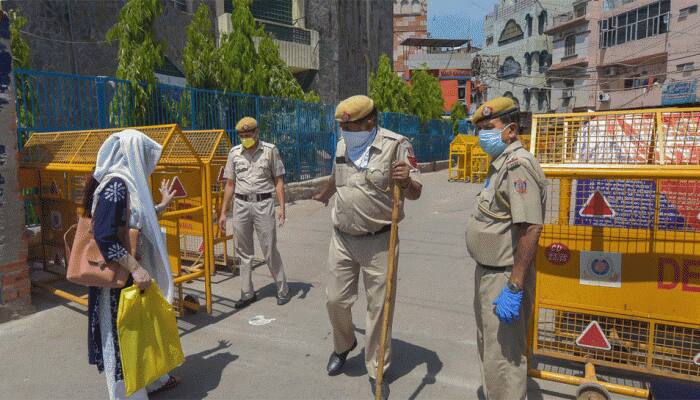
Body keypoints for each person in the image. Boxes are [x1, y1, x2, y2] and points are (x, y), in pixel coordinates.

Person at [313, 95, 422, 400]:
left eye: (350, 124)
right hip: (343, 237)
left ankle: (376, 367)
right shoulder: (343, 143)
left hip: (380, 240)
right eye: (342, 125)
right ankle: (344, 343)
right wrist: (326, 190)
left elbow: (415, 192)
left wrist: (406, 183)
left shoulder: (397, 145)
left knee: (379, 308)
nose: (344, 129)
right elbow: (340, 173)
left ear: (370, 122)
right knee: (335, 300)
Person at [84, 129, 181, 400]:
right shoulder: (116, 185)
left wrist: (160, 206)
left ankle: (147, 382)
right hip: (118, 280)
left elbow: (133, 222)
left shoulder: (126, 184)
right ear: (133, 155)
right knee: (120, 336)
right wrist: (135, 268)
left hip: (131, 277)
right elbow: (104, 235)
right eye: (145, 156)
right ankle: (126, 394)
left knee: (138, 332)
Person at [465, 97, 546, 400]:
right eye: (479, 130)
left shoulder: (517, 165)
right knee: (492, 351)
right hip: (489, 273)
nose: (482, 135)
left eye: (488, 128)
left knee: (504, 359)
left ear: (511, 130)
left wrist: (515, 285)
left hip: (504, 277)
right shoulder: (500, 164)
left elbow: (530, 227)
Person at [218, 117, 290, 308]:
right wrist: (223, 212)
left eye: (248, 135)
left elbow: (279, 181)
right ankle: (247, 293)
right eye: (242, 135)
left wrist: (282, 207)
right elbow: (230, 184)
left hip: (263, 204)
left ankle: (282, 289)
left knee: (269, 249)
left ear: (257, 133)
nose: (245, 138)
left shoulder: (270, 151)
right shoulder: (234, 153)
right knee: (243, 252)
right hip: (240, 205)